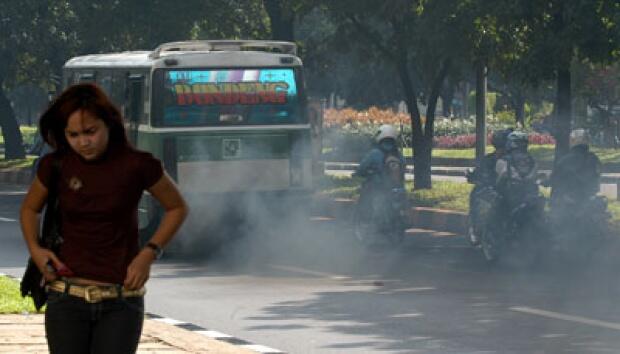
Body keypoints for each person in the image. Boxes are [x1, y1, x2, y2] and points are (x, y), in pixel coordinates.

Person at [20, 83, 189, 354]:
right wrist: (36, 250)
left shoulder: (138, 164)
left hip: (121, 303)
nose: (83, 142)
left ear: (109, 124)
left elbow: (177, 207)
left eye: (90, 132)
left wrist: (149, 253)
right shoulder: (56, 165)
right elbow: (29, 209)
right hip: (66, 300)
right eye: (73, 134)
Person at [467, 129, 512, 245]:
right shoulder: (490, 160)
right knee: (478, 196)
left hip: (508, 193)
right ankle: (477, 230)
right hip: (496, 192)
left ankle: (477, 230)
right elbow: (479, 174)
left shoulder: (513, 159)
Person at [550, 129, 601, 206]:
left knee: (557, 207)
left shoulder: (566, 160)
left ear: (573, 141)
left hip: (571, 199)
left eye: (571, 140)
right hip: (590, 196)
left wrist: (548, 181)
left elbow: (555, 177)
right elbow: (597, 174)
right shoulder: (594, 158)